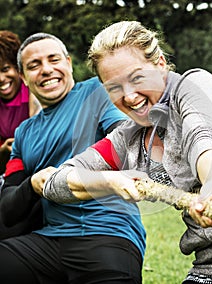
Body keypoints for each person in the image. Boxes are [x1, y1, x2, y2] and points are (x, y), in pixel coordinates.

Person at [42, 21, 212, 284]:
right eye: (114, 88)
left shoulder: (194, 87)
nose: (129, 97)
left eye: (137, 78)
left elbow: (204, 137)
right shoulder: (127, 137)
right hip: (208, 270)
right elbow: (57, 183)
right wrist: (110, 181)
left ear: (161, 64)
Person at [0, 32, 146, 284]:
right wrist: (33, 184)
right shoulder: (24, 133)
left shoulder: (97, 92)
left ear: (68, 63)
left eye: (53, 60)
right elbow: (8, 209)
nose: (46, 70)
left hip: (107, 233)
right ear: (24, 77)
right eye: (34, 66)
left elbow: (126, 140)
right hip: (48, 241)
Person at [0, 30, 40, 175]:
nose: (1, 78)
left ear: (17, 68)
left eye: (5, 69)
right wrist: (3, 151)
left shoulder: (33, 90)